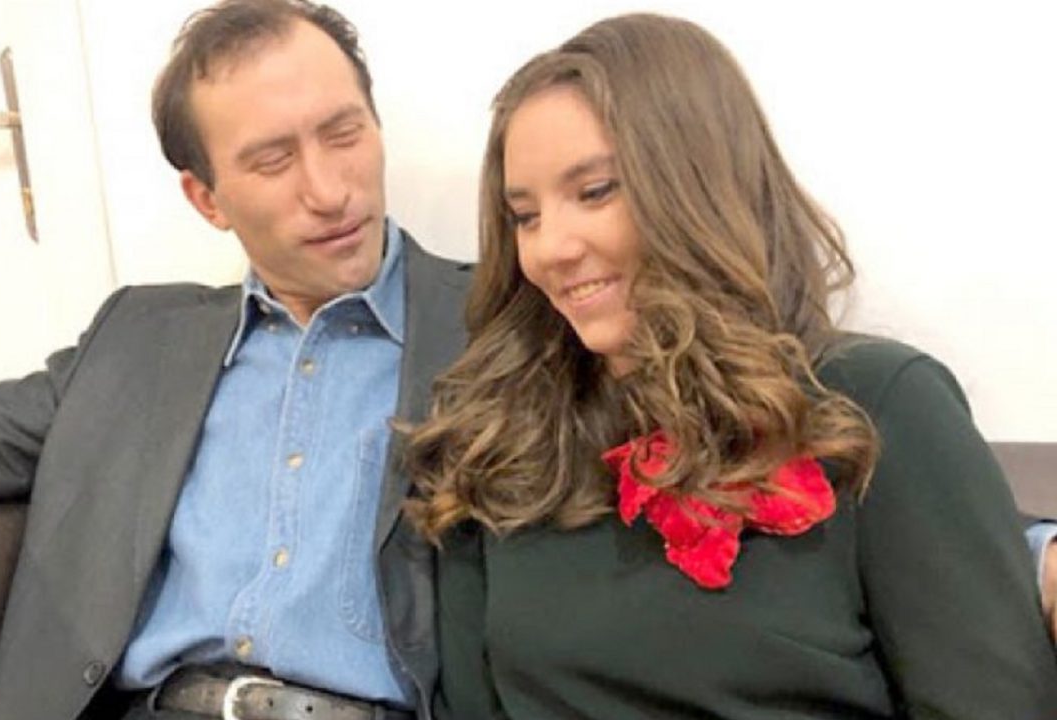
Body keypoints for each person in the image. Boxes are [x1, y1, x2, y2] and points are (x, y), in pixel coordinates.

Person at [0, 1, 469, 719]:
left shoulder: (494, 328)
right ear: (207, 200)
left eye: (344, 134)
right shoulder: (140, 342)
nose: (329, 191)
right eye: (273, 160)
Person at [406, 12, 1057, 719]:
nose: (550, 248)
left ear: (698, 186)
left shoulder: (881, 402)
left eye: (595, 192)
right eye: (525, 216)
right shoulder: (503, 443)